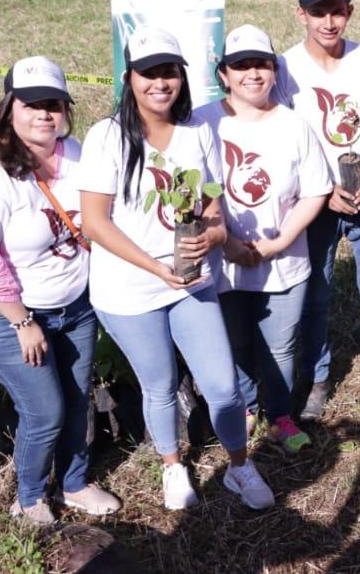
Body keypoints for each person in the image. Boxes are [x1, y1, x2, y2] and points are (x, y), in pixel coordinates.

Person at [78, 26, 274, 511]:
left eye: (169, 72)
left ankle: (239, 466)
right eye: (149, 74)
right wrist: (154, 266)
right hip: (128, 292)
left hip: (190, 282)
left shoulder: (196, 133)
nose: (160, 83)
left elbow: (212, 205)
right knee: (160, 385)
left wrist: (214, 233)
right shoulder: (107, 137)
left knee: (223, 385)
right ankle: (172, 465)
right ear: (129, 79)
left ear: (182, 78)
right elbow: (95, 224)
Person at [0, 57, 121, 526]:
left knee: (76, 401)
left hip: (76, 308)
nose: (44, 114)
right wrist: (23, 322)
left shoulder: (78, 156)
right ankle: (29, 497)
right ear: (9, 110)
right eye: (32, 105)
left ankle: (74, 484)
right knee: (45, 411)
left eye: (53, 104)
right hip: (12, 315)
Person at [196, 25, 331, 453]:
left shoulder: (295, 125)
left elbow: (316, 191)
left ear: (275, 71)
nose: (252, 74)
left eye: (261, 64)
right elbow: (191, 189)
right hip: (223, 261)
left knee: (281, 344)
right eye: (241, 65)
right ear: (224, 74)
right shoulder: (202, 121)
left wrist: (280, 242)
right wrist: (226, 242)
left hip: (285, 260)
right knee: (233, 342)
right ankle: (245, 407)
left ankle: (280, 415)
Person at [276, 0, 360, 417]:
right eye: (317, 11)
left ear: (350, 12)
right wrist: (323, 194)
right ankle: (318, 376)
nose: (329, 22)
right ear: (300, 14)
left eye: (338, 11)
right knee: (316, 292)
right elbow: (282, 137)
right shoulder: (285, 68)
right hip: (315, 201)